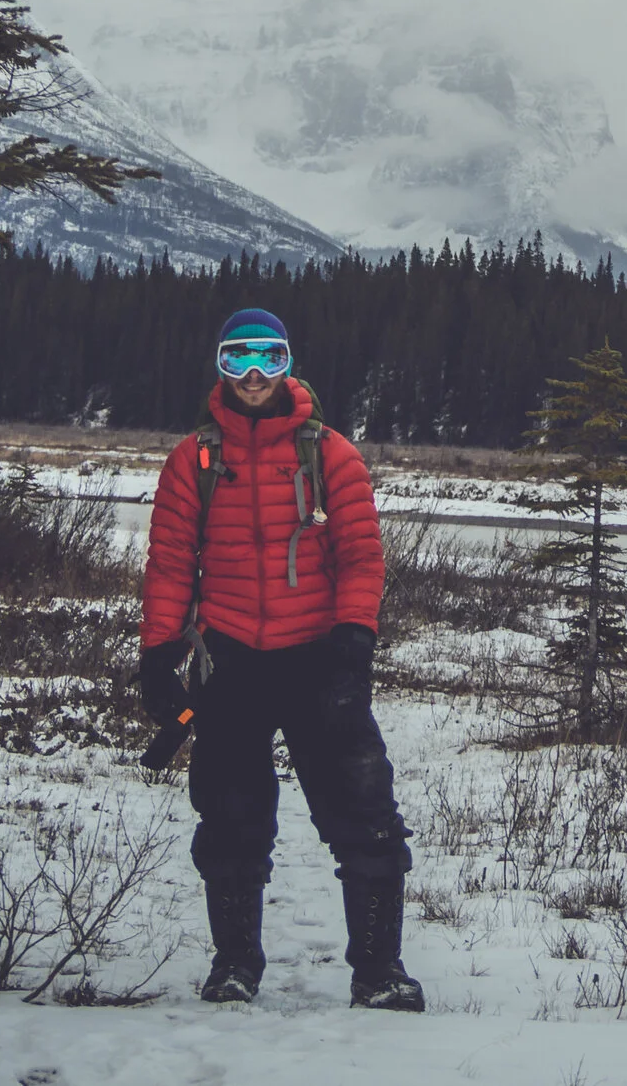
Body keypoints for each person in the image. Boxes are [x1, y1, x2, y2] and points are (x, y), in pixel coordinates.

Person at [138, 307, 423, 1011]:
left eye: (269, 357)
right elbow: (171, 562)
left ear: (289, 364)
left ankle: (379, 970)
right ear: (220, 366)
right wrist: (157, 650)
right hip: (230, 659)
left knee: (365, 811)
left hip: (318, 657)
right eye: (239, 357)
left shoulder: (331, 455)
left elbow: (360, 553)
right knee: (232, 818)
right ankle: (235, 964)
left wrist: (356, 635)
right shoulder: (192, 460)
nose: (256, 373)